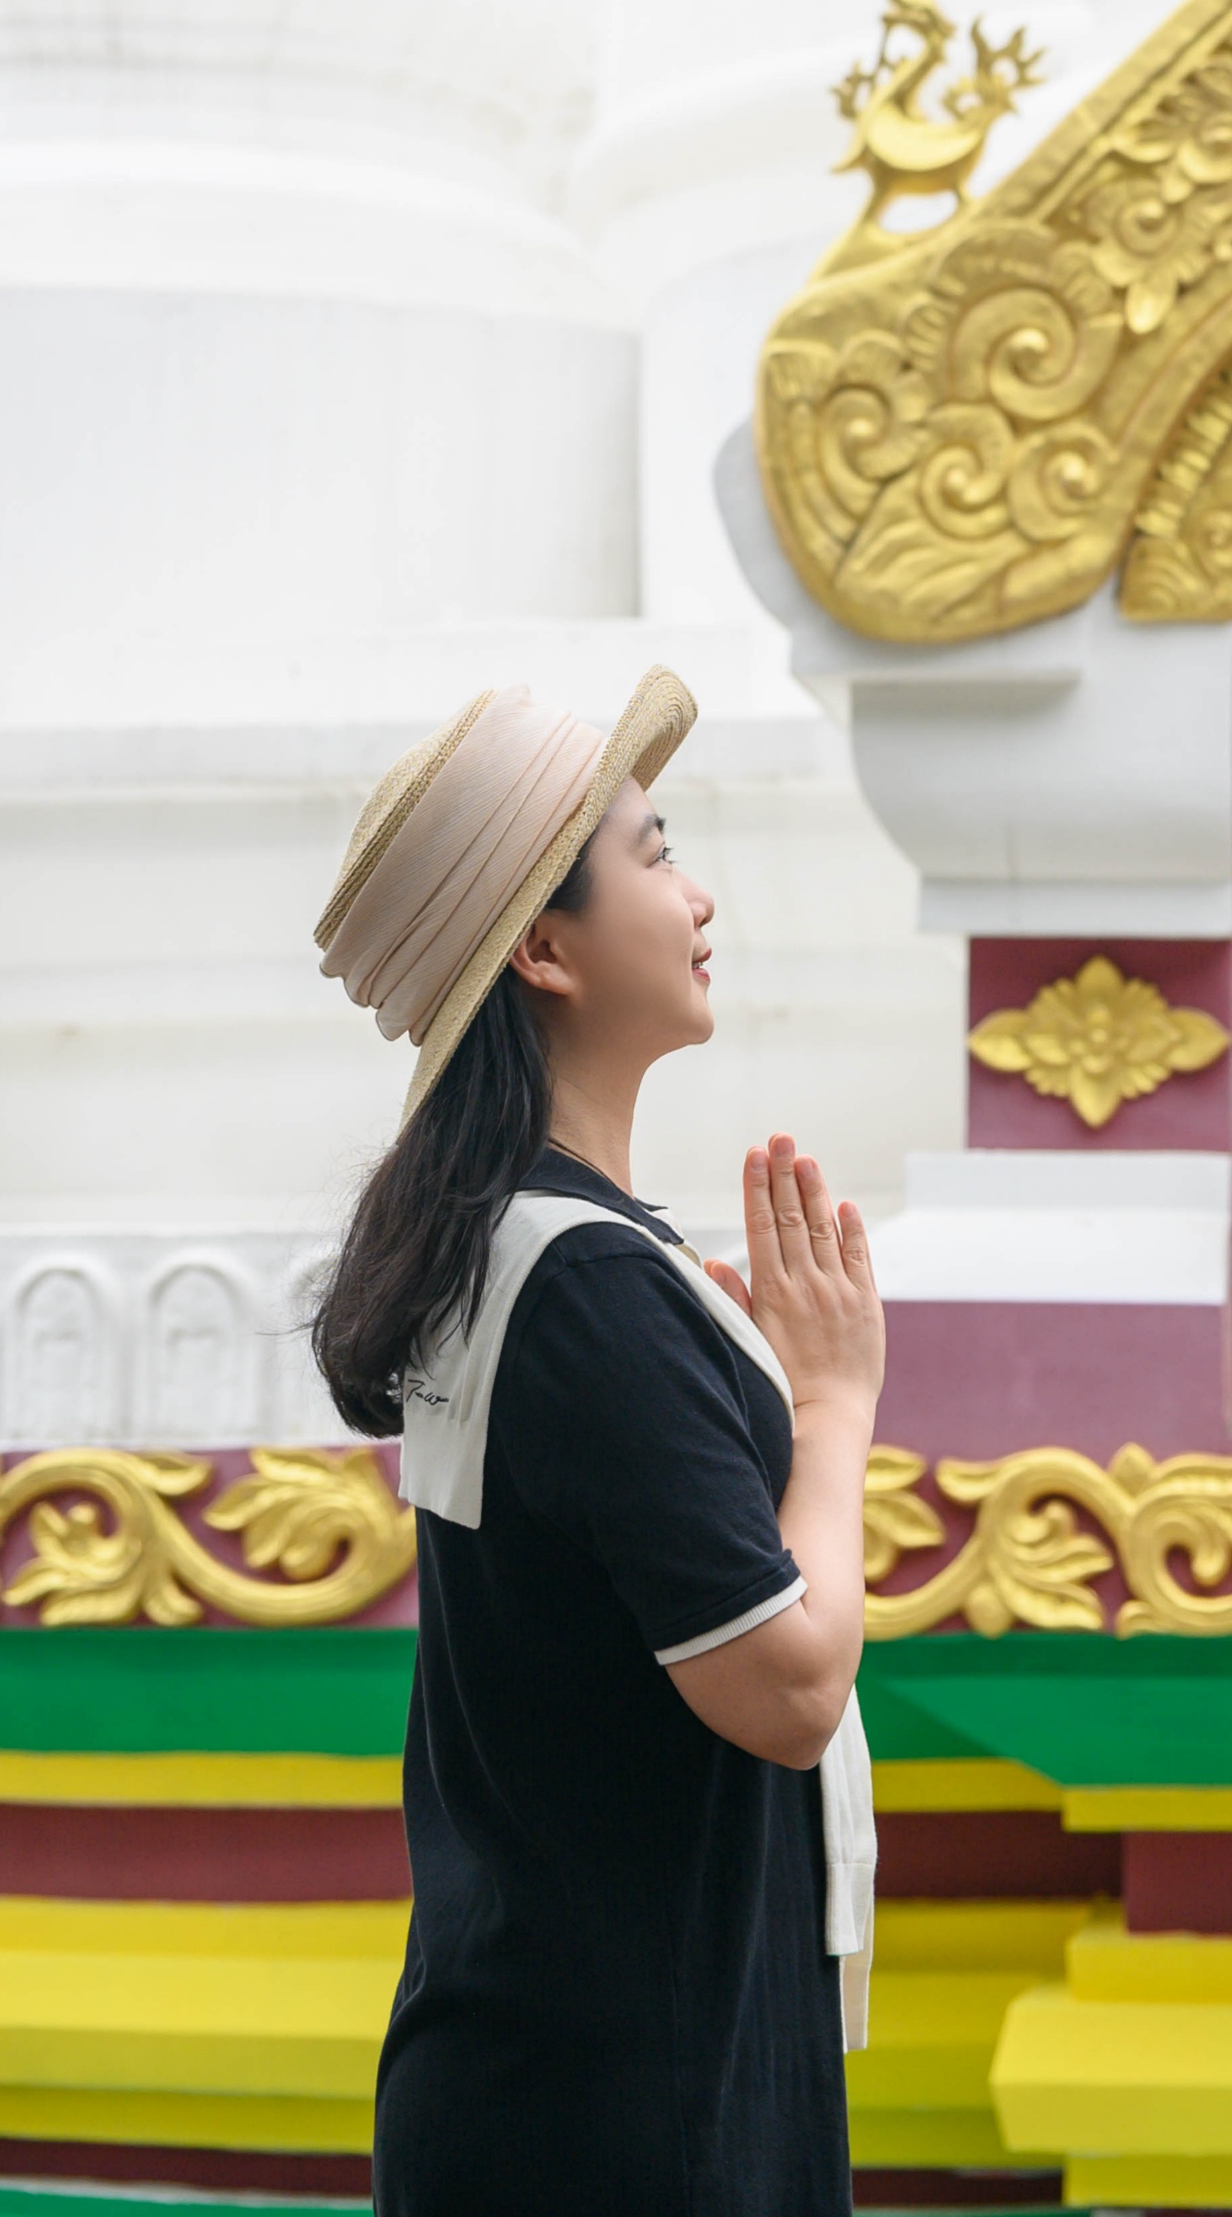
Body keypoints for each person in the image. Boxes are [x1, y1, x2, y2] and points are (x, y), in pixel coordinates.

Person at [309, 672, 883, 2217]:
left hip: (552, 2069)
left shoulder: (521, 1245)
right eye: (652, 852)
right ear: (544, 948)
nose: (695, 894)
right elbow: (784, 1685)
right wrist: (829, 1405)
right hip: (634, 2112)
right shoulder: (584, 1286)